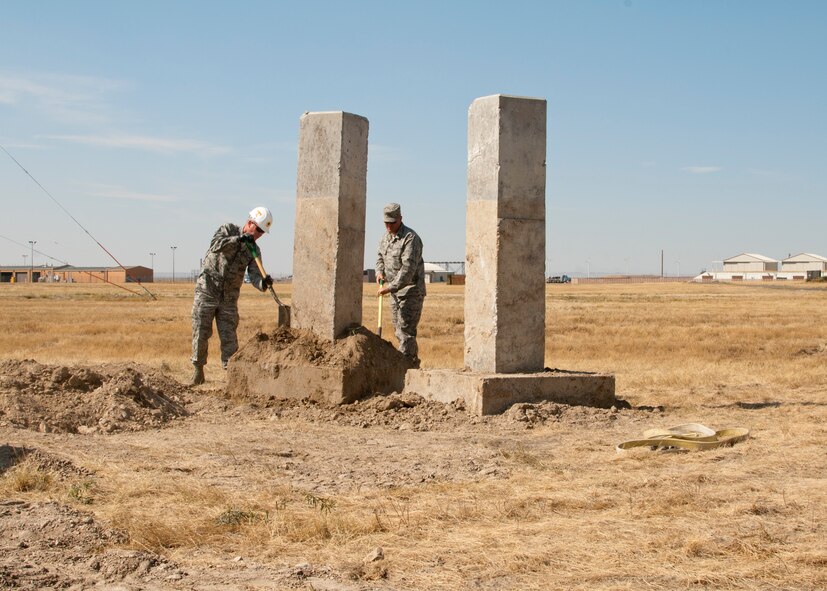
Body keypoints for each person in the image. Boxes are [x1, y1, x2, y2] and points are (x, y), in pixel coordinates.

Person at [190, 206, 274, 385]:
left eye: (262, 232)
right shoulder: (228, 230)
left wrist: (263, 283)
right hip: (208, 290)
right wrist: (238, 240)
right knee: (201, 331)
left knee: (229, 337)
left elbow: (254, 276)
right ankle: (198, 370)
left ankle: (231, 376)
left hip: (228, 298)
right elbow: (215, 246)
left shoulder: (254, 251)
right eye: (257, 229)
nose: (259, 234)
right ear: (249, 222)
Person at [376, 202, 425, 366]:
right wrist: (379, 272)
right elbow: (379, 258)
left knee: (405, 332)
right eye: (386, 223)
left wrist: (389, 287)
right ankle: (407, 366)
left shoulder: (410, 239)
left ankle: (407, 367)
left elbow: (408, 270)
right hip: (394, 293)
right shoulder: (385, 238)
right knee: (398, 331)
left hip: (410, 292)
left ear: (400, 219)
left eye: (392, 223)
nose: (389, 227)